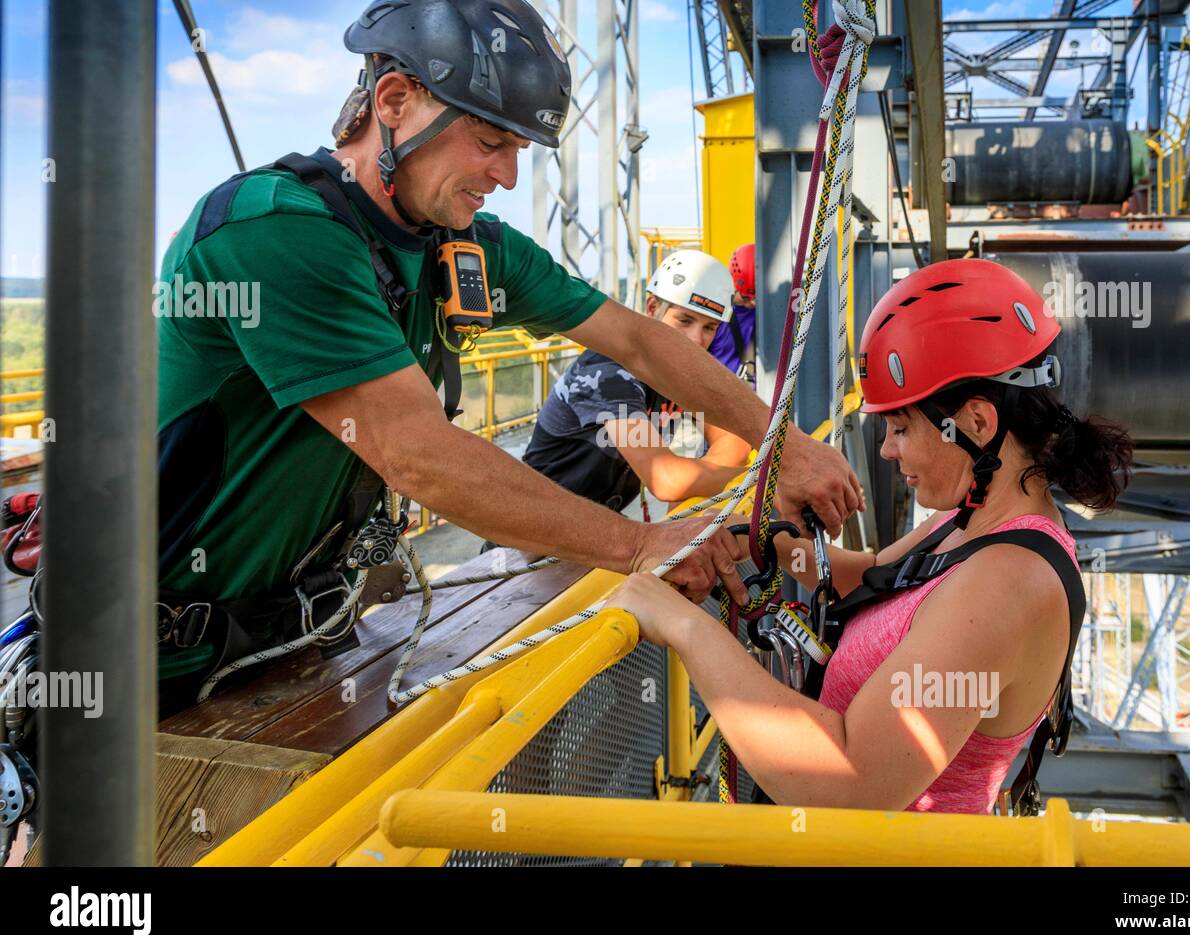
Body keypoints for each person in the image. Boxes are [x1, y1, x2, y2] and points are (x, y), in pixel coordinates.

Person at [153, 0, 862, 711]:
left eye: (521, 150)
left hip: (300, 636)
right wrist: (638, 545)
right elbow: (418, 455)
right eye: (492, 141)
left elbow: (639, 339)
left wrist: (787, 447)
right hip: (160, 659)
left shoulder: (465, 248)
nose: (510, 176)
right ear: (395, 100)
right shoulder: (278, 232)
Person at [609, 258, 1134, 814]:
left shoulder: (1008, 582)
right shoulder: (974, 520)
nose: (885, 449)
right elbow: (879, 579)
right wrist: (761, 542)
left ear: (978, 424)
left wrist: (685, 628)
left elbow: (849, 778)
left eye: (902, 427)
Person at [521, 249, 751, 517]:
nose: (695, 340)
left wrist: (690, 498)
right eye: (684, 320)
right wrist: (763, 482)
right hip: (527, 541)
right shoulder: (609, 373)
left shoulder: (671, 371)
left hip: (587, 531)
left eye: (709, 328)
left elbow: (732, 437)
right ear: (652, 308)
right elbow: (665, 477)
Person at [708, 243, 757, 383]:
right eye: (746, 297)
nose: (753, 303)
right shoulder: (715, 313)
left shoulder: (767, 312)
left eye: (758, 298)